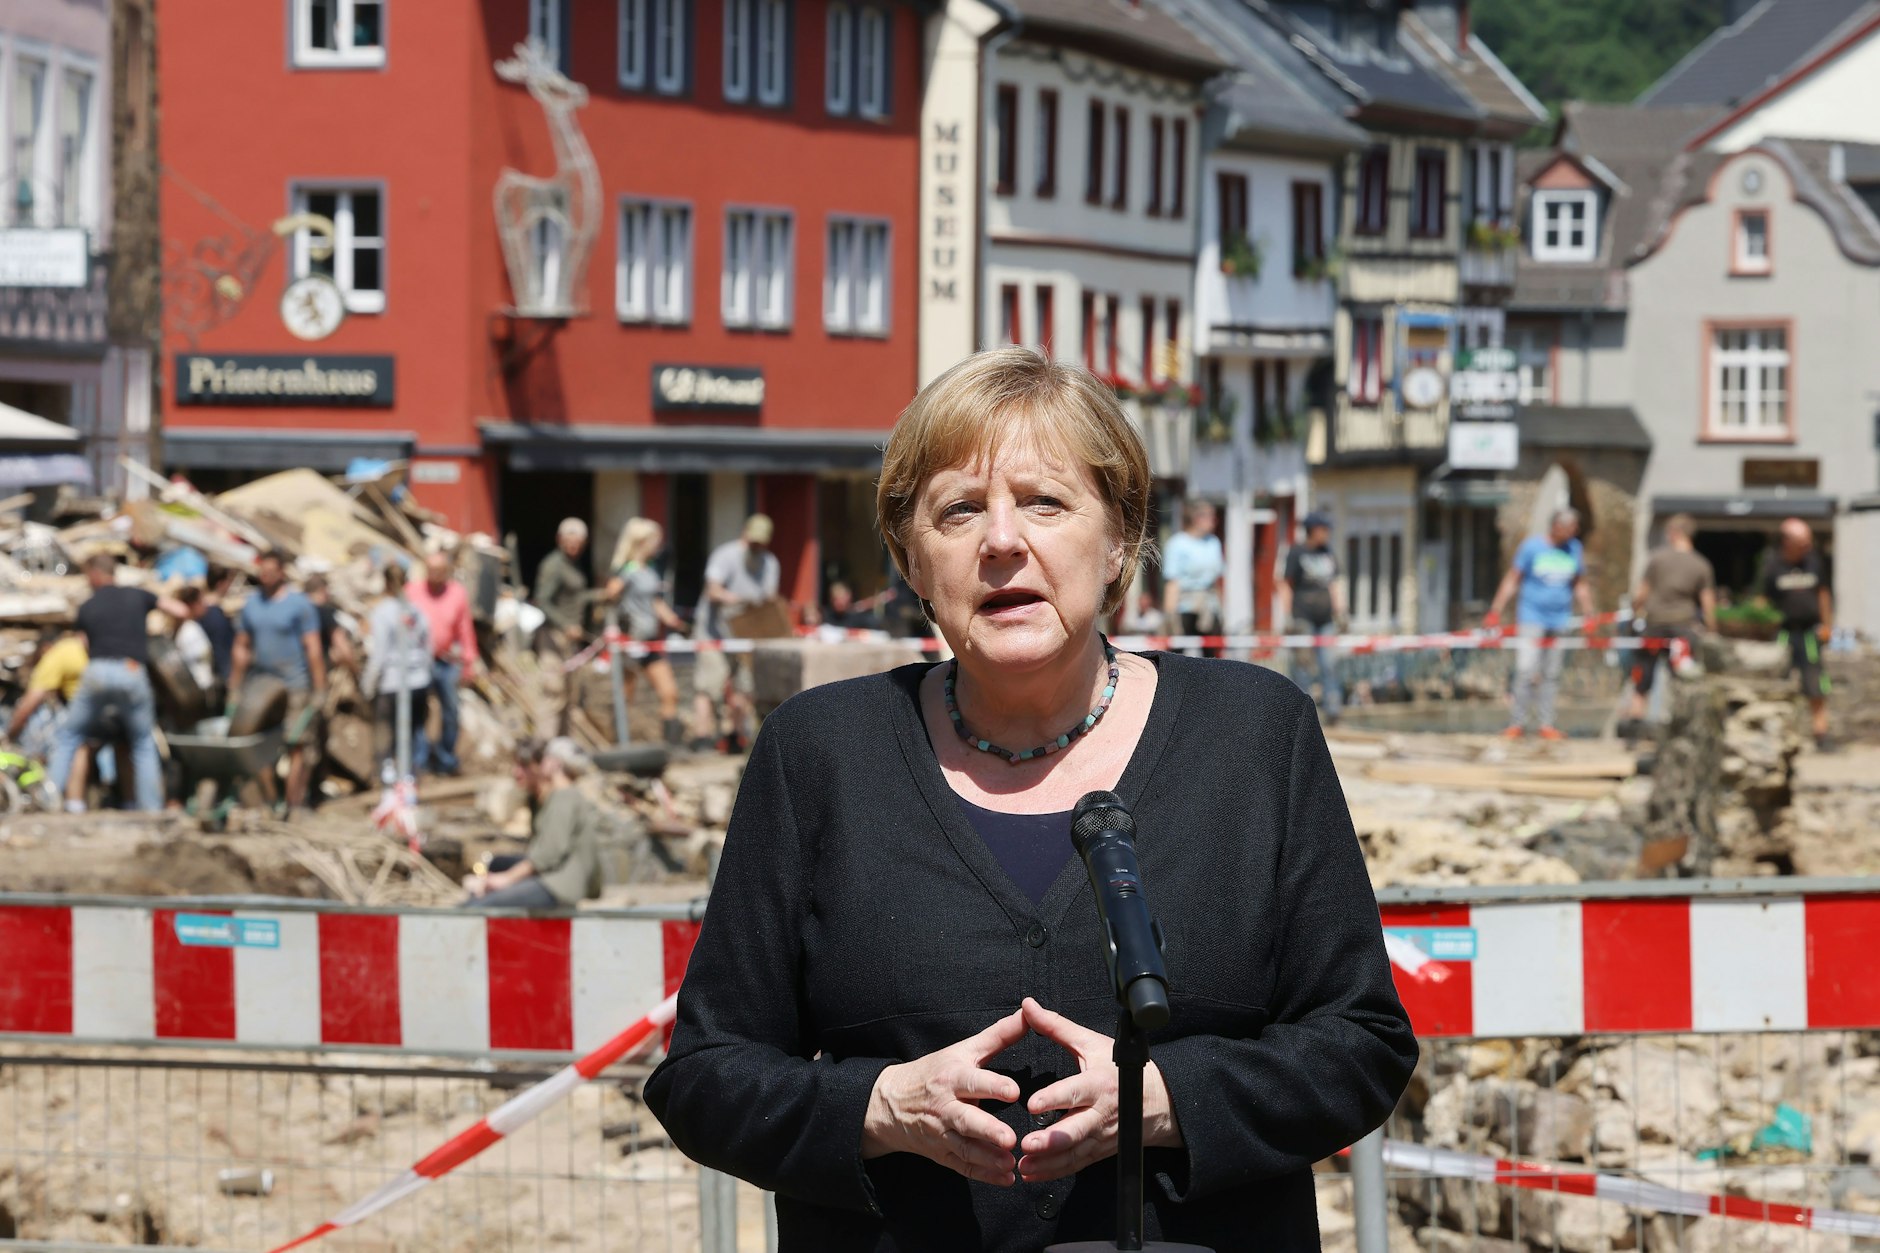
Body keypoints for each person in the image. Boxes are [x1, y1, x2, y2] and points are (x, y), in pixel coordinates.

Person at [645, 347, 1415, 1251]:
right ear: (911, 560)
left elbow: (1363, 1042)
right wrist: (882, 1106)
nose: (1002, 540)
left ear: (1120, 534)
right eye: (959, 510)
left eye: (1046, 502)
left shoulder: (1255, 736)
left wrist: (1164, 1099)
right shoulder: (817, 755)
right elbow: (701, 1073)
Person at [51, 554, 193, 813]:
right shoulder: (138, 595)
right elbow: (180, 610)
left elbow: (83, 642)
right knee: (142, 741)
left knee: (69, 735)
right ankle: (150, 809)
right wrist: (171, 636)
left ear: (95, 574)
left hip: (96, 670)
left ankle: (48, 800)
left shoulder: (88, 606)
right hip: (132, 670)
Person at [229, 550, 328, 813]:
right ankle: (270, 802)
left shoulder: (299, 605)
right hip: (262, 687)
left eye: (271, 572)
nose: (266, 576)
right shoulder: (252, 605)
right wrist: (235, 686)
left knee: (298, 744)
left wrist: (319, 688)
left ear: (282, 573)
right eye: (263, 571)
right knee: (259, 744)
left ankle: (293, 805)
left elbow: (313, 648)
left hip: (295, 684)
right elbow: (241, 647)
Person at [1486, 508, 1592, 741]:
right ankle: (1517, 723)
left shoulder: (1574, 549)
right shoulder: (1532, 547)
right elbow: (1513, 579)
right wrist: (1496, 609)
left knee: (1551, 674)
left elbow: (1580, 584)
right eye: (1568, 529)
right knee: (1525, 670)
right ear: (1556, 526)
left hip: (1560, 619)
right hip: (1532, 617)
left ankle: (1546, 723)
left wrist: (1588, 613)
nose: (1572, 533)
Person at [461, 736, 603, 910]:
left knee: (476, 907)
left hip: (559, 886)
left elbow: (548, 853)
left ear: (555, 764)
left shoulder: (564, 797)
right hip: (556, 879)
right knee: (497, 865)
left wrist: (507, 879)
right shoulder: (562, 797)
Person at [692, 514, 780, 752]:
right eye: (753, 541)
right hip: (714, 632)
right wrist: (743, 601)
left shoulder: (769, 563)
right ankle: (703, 738)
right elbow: (713, 591)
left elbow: (769, 601)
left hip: (745, 636)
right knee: (709, 686)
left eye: (761, 543)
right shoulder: (725, 555)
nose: (756, 547)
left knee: (745, 688)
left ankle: (735, 737)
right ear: (745, 534)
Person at [604, 517, 690, 747]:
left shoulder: (650, 570)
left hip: (650, 640)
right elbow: (609, 596)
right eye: (654, 540)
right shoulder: (626, 570)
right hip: (631, 640)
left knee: (669, 692)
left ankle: (670, 745)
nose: (658, 545)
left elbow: (655, 602)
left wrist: (676, 622)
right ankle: (618, 743)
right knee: (625, 696)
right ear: (642, 541)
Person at [1625, 514, 1716, 725]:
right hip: (1683, 629)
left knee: (1642, 678)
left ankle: (1635, 724)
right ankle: (1680, 723)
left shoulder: (1657, 559)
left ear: (1674, 533)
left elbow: (1641, 594)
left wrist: (1631, 615)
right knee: (1683, 678)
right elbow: (1708, 603)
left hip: (1654, 627)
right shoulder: (1701, 564)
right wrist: (1711, 630)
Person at [406, 549, 480, 776]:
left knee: (451, 711)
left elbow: (464, 629)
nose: (436, 575)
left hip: (446, 661)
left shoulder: (457, 594)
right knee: (417, 712)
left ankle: (445, 758)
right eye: (432, 570)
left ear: (448, 572)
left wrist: (470, 660)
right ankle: (418, 761)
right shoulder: (412, 592)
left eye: (440, 571)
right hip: (418, 660)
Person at [1763, 517, 1834, 747]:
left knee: (1815, 683)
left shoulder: (1814, 562)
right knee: (1777, 682)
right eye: (1802, 543)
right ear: (1787, 541)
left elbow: (1823, 595)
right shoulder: (1773, 566)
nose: (1807, 547)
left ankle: (1821, 734)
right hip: (1784, 631)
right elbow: (1764, 600)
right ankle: (1776, 734)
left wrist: (1827, 626)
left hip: (1809, 631)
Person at [361, 563, 434, 776]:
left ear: (385, 583)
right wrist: (426, 675)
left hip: (392, 683)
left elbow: (379, 654)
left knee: (389, 734)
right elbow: (428, 647)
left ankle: (391, 779)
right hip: (418, 681)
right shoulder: (417, 611)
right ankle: (413, 775)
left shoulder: (382, 613)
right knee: (414, 731)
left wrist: (368, 684)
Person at [1278, 511, 1345, 722]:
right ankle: (1301, 713)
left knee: (1330, 664)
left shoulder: (1328, 552)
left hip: (1325, 619)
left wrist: (1340, 611)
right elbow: (1285, 584)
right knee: (1303, 665)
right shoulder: (1297, 552)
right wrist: (1288, 615)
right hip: (1303, 616)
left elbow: (1334, 584)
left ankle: (1333, 710)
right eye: (1323, 530)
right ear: (1312, 530)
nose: (1326, 534)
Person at [6, 629, 87, 763]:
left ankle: (55, 782)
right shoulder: (78, 648)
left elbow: (28, 704)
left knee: (68, 742)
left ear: (45, 648)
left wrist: (10, 735)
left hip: (82, 713)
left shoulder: (57, 654)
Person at [1159, 499, 1223, 639]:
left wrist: (1222, 609)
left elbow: (1217, 581)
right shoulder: (1177, 543)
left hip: (1209, 606)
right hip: (1185, 607)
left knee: (1211, 655)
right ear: (1197, 518)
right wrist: (1170, 614)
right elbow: (1172, 582)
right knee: (1181, 653)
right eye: (1210, 516)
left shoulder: (1213, 543)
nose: (1214, 520)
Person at [534, 518, 592, 654]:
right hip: (554, 636)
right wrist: (565, 625)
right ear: (559, 539)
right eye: (568, 540)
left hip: (571, 637)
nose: (573, 545)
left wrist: (602, 594)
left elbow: (578, 596)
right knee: (553, 674)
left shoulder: (574, 564)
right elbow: (542, 600)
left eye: (577, 541)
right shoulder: (554, 565)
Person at [303, 573, 358, 679]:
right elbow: (342, 647)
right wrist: (355, 671)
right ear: (323, 590)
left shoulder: (296, 612)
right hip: (320, 672)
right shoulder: (325, 611)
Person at [171, 587, 216, 695]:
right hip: (199, 689)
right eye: (201, 601)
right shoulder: (190, 630)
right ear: (192, 605)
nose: (205, 605)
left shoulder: (189, 628)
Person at [198, 567, 238, 688]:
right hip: (218, 674)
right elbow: (221, 647)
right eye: (228, 583)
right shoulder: (215, 614)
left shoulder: (201, 609)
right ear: (221, 584)